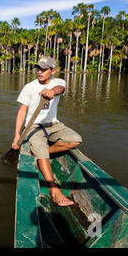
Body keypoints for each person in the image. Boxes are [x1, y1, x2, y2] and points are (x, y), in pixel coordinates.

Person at [12, 56, 82, 207]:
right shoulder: (29, 87)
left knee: (76, 140)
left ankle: (42, 153)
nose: (40, 71)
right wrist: (17, 135)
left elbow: (60, 89)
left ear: (53, 70)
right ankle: (54, 190)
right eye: (38, 68)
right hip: (34, 126)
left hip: (53, 124)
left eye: (44, 69)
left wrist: (52, 91)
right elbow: (22, 112)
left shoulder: (58, 82)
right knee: (40, 149)